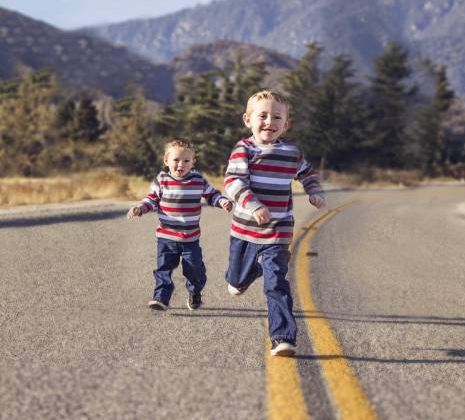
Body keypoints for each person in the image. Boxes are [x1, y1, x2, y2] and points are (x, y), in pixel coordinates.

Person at [224, 90, 325, 356]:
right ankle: (246, 274)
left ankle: (283, 337)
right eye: (263, 116)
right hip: (245, 231)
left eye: (277, 117)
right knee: (235, 282)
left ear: (286, 124)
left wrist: (314, 191)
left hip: (277, 233)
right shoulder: (243, 150)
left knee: (277, 283)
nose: (269, 121)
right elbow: (233, 183)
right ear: (248, 120)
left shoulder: (291, 152)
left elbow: (307, 173)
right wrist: (253, 205)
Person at [128, 138, 233, 311]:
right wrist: (140, 208)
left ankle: (195, 291)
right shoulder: (161, 180)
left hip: (190, 238)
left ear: (193, 162)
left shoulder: (198, 180)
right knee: (163, 269)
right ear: (166, 160)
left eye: (186, 161)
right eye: (176, 160)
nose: (180, 165)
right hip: (166, 237)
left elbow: (212, 195)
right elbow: (152, 199)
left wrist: (222, 202)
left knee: (195, 270)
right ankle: (161, 297)